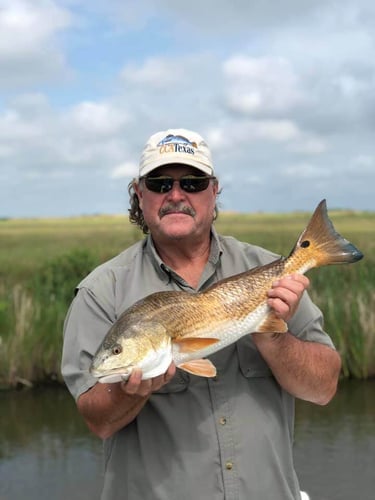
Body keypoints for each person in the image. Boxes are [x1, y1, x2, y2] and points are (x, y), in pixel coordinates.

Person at [61, 128, 341, 500]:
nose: (176, 195)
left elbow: (323, 388)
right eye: (160, 183)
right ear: (139, 194)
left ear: (214, 190)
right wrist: (132, 393)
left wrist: (272, 333)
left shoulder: (268, 269)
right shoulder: (101, 291)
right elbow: (97, 418)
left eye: (192, 182)